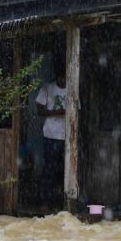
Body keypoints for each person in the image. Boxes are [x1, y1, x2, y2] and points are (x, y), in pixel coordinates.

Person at [36, 71, 67, 211]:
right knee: (49, 169)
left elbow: (78, 111)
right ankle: (46, 202)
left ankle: (64, 203)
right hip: (51, 135)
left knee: (65, 170)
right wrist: (56, 112)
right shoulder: (47, 88)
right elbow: (39, 110)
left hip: (68, 136)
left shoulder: (73, 89)